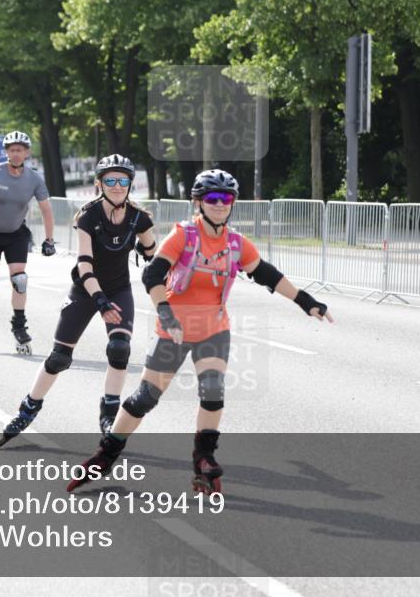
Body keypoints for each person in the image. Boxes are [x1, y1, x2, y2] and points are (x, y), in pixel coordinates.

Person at [68, 169, 334, 494]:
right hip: (174, 330)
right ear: (198, 202)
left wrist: (306, 302)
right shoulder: (184, 236)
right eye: (212, 198)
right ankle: (107, 453)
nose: (220, 204)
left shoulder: (235, 243)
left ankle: (203, 458)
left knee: (212, 391)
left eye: (226, 199)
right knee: (145, 398)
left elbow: (267, 274)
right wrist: (165, 313)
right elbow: (152, 276)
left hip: (213, 330)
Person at [0, 155, 157, 448]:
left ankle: (109, 416)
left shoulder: (139, 218)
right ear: (99, 184)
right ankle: (27, 410)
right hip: (86, 290)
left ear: (130, 184)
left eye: (123, 180)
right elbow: (85, 264)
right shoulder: (88, 216)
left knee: (119, 349)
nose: (117, 185)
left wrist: (152, 257)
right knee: (60, 358)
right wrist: (100, 301)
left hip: (118, 290)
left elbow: (152, 253)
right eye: (110, 180)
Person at [0, 131, 56, 352]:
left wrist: (49, 240)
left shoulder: (34, 178)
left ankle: (19, 326)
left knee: (20, 280)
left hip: (16, 233)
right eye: (12, 150)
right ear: (6, 152)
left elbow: (46, 209)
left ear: (27, 153)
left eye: (20, 150)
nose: (16, 154)